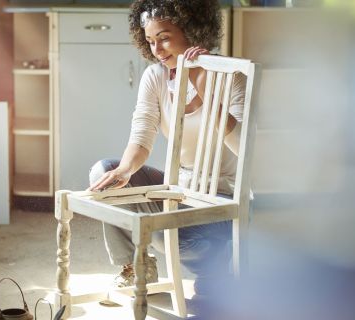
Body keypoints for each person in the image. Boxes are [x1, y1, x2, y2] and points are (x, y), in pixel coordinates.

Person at [88, 0, 247, 298]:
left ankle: (215, 271)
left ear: (192, 29)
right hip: (178, 191)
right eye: (150, 41)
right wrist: (124, 171)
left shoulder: (233, 77)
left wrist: (202, 84)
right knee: (105, 173)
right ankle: (137, 266)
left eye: (163, 37)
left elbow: (242, 148)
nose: (156, 50)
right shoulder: (155, 76)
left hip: (221, 203)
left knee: (168, 232)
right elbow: (142, 134)